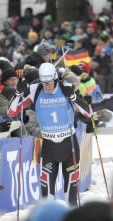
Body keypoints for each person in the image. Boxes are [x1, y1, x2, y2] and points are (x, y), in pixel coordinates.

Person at [8, 62, 92, 205]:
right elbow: (12, 112)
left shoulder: (66, 87)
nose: (47, 86)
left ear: (55, 78)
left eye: (49, 82)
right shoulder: (36, 89)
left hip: (69, 145)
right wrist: (18, 94)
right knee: (47, 198)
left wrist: (73, 97)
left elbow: (88, 113)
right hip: (49, 147)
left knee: (71, 198)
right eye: (43, 82)